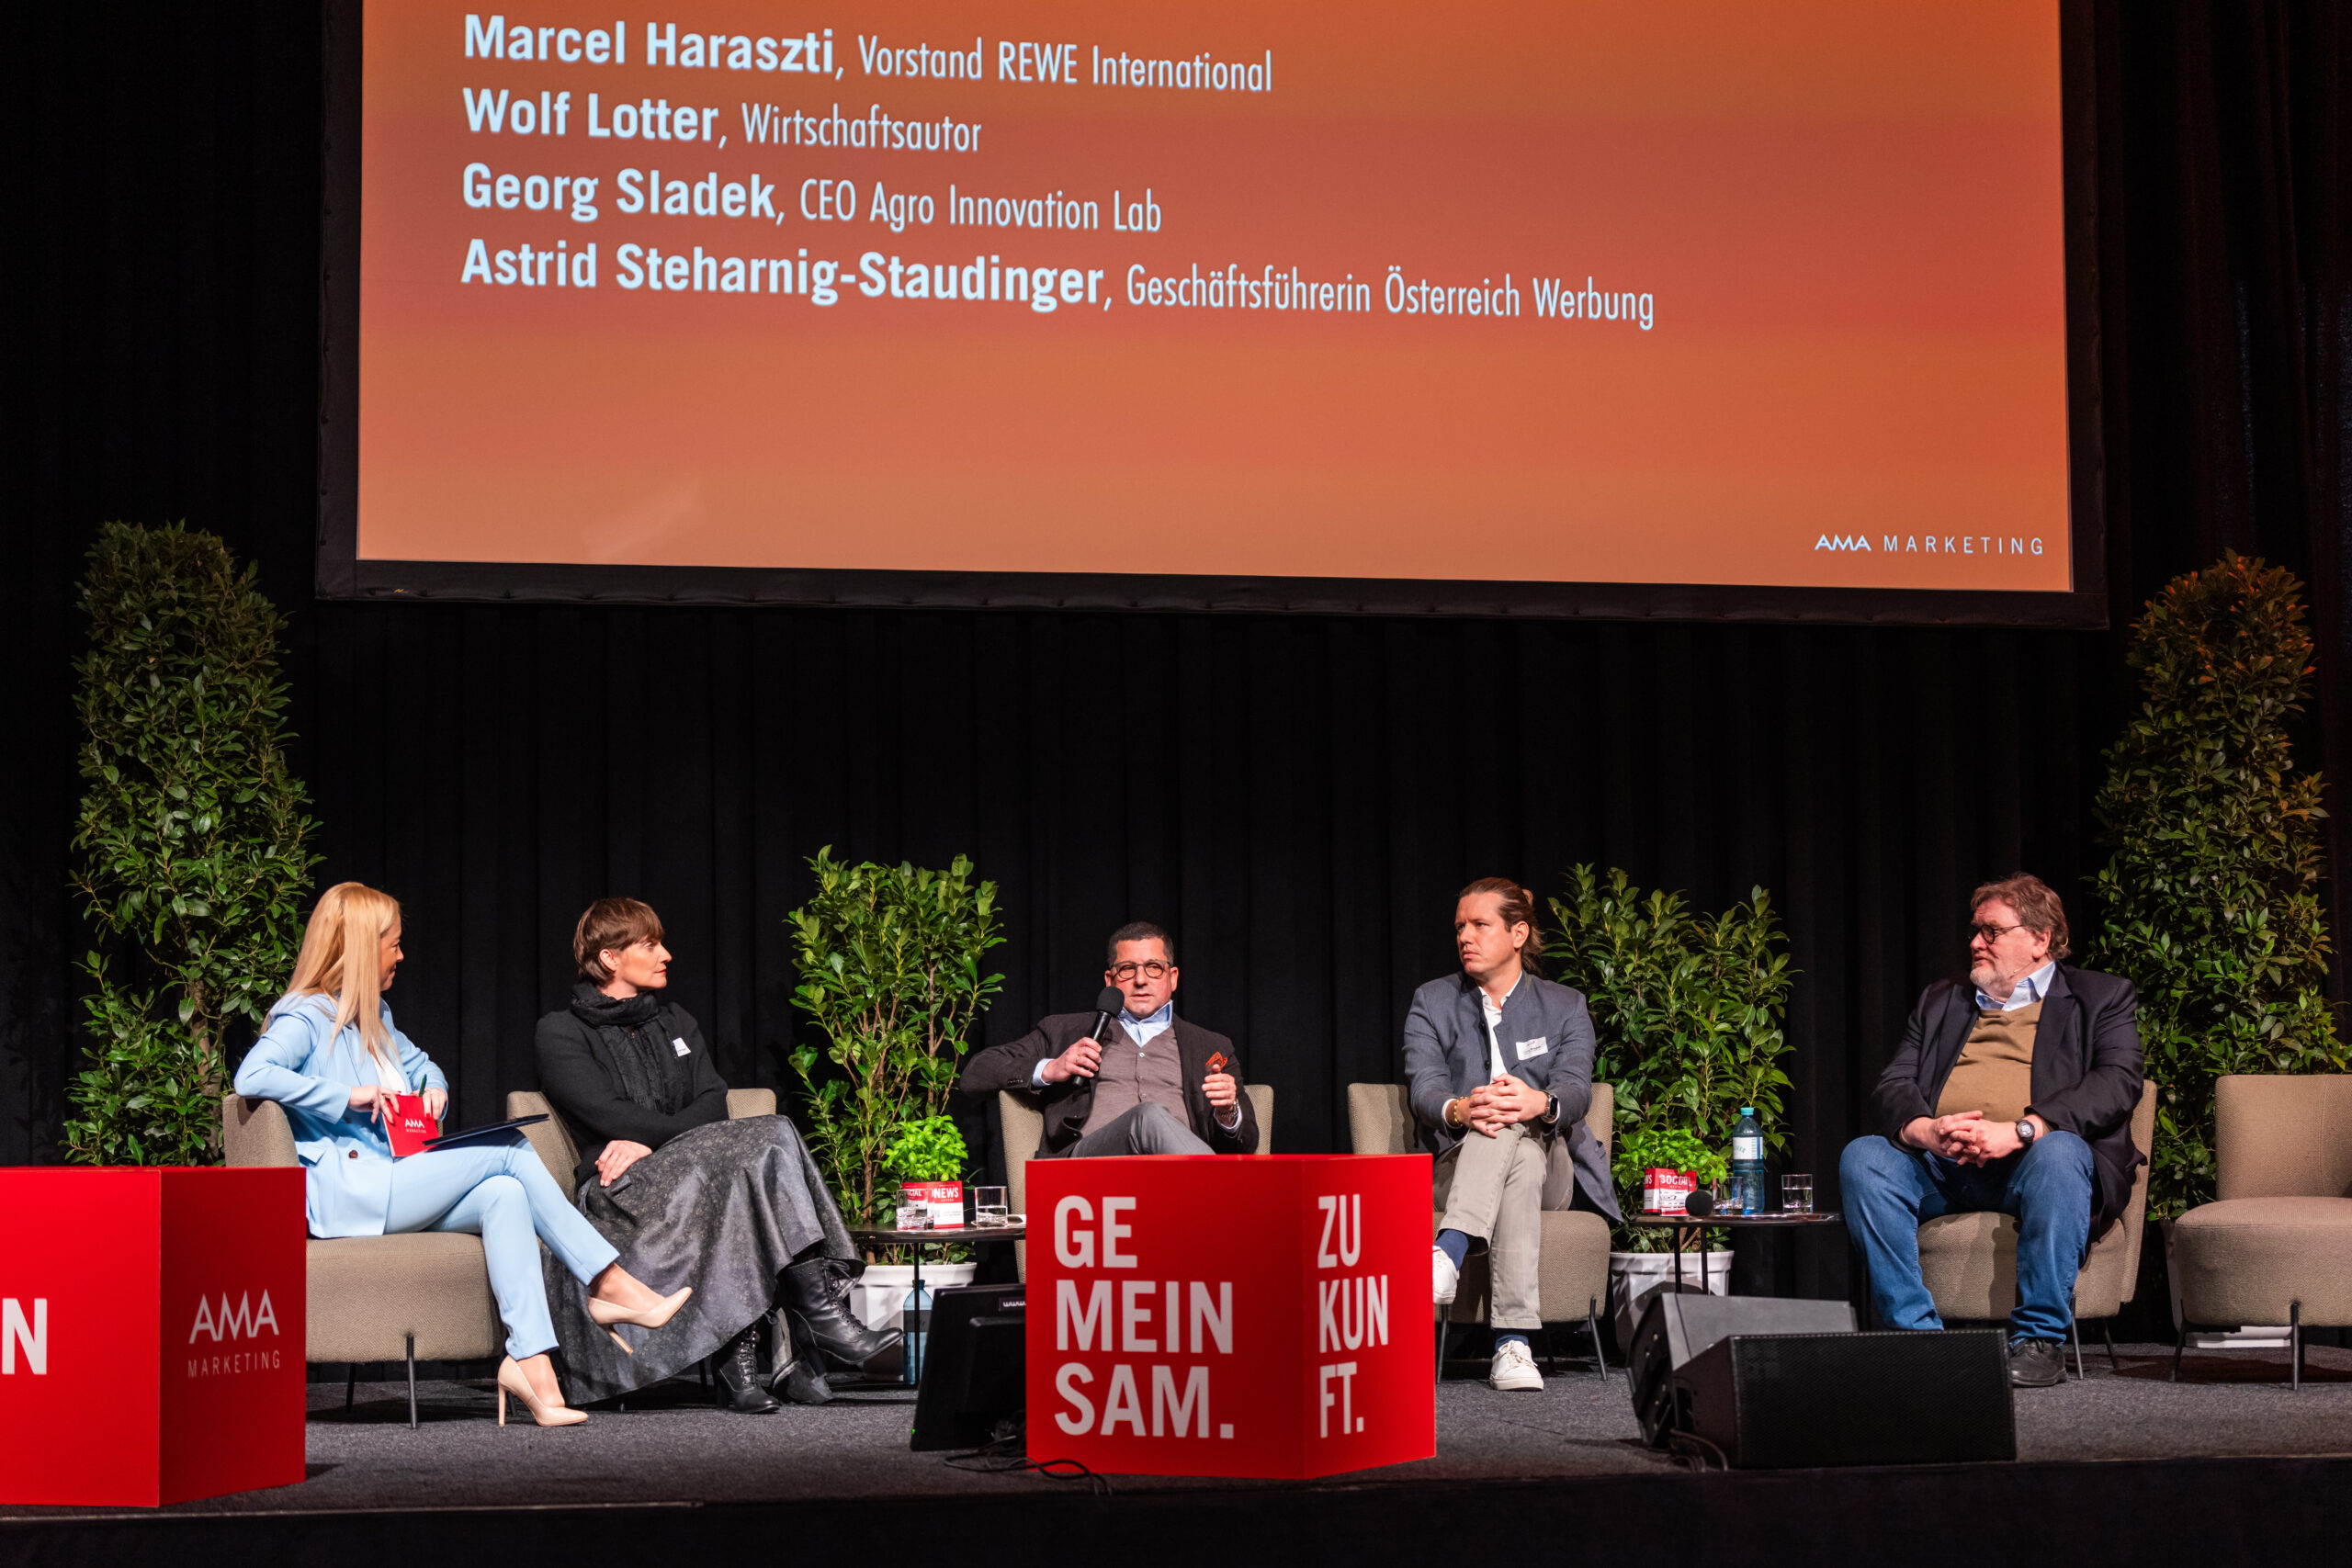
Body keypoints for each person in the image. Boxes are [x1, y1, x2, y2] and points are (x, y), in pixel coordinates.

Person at [233, 883, 688, 1427]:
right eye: (393, 944)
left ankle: (531, 1365)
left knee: (503, 1194)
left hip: (397, 1178)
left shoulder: (375, 1015)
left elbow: (425, 1065)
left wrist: (435, 1088)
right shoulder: (306, 1016)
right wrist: (343, 1097)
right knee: (510, 1151)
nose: (401, 955)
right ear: (359, 947)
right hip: (352, 1192)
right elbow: (251, 1075)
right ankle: (608, 1282)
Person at [534, 897, 899, 1414]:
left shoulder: (677, 1021)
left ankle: (745, 1361)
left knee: (758, 1153)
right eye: (650, 944)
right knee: (767, 1140)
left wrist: (652, 1139)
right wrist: (648, 1140)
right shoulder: (561, 1032)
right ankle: (820, 1316)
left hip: (697, 1175)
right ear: (610, 957)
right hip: (619, 1190)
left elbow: (715, 1102)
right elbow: (607, 1115)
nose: (666, 954)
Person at [1839, 874, 2143, 1388]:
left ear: (2040, 939)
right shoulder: (1943, 999)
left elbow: (2117, 1083)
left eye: (1991, 931)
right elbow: (1894, 1082)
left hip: (2035, 1165)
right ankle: (1920, 1342)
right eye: (1975, 930)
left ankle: (2039, 1340)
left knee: (2062, 1149)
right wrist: (1925, 1130)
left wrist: (2023, 1130)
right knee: (1864, 1157)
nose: (1975, 943)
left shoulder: (2100, 997)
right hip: (1943, 1167)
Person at [1404, 877, 1620, 1393]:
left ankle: (1447, 1253)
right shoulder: (1433, 1001)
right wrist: (1462, 1108)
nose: (1465, 937)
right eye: (1460, 926)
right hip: (1460, 1165)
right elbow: (1425, 1087)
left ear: (1518, 933)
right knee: (1507, 1142)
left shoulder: (1565, 1004)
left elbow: (1576, 1087)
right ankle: (1513, 1345)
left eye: (1480, 925)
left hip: (1556, 1167)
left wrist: (1539, 1102)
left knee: (1516, 1125)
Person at [958, 921, 1259, 1157]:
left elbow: (1246, 1142)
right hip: (1092, 1170)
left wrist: (1227, 1112)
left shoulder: (1211, 1047)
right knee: (1147, 1117)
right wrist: (1050, 1069)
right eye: (1128, 969)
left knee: (1155, 1122)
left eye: (1154, 968)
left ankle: (1216, 1200)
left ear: (1173, 977)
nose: (1141, 980)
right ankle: (1229, 1202)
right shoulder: (1066, 1030)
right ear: (1110, 980)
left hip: (1176, 1180)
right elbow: (976, 1073)